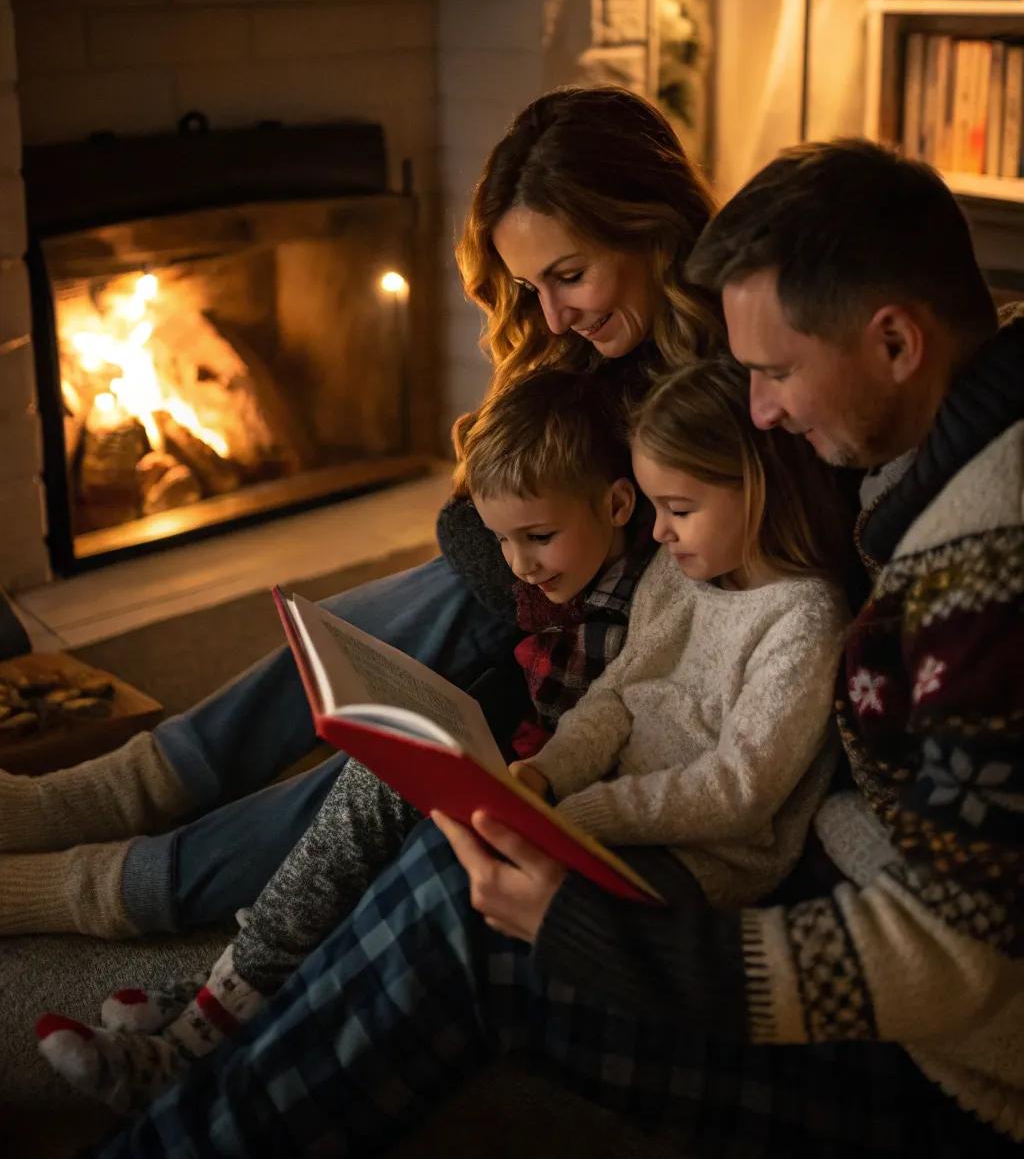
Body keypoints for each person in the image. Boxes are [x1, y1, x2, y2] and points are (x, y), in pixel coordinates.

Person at [86, 139, 1023, 1158]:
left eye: (777, 372)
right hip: (830, 876)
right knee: (465, 821)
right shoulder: (941, 438)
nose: (759, 413)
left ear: (895, 342)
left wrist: (601, 935)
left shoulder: (985, 576)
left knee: (477, 910)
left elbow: (961, 960)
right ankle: (222, 1015)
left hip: (949, 1074)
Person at [0, 87, 722, 941]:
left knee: (390, 764)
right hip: (540, 611)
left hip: (627, 660)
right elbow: (470, 522)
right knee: (396, 620)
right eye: (532, 285)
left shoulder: (728, 371)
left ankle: (106, 887)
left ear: (652, 225)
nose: (553, 313)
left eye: (569, 274)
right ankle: (110, 795)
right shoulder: (586, 348)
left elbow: (695, 589)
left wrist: (539, 549)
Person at [38, 354, 849, 1109]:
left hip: (684, 864)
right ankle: (228, 997)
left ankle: (207, 1045)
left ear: (759, 489)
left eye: (677, 510)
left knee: (439, 851)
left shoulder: (804, 617)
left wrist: (573, 814)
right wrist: (546, 778)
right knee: (384, 780)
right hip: (592, 812)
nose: (662, 535)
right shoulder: (682, 577)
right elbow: (613, 701)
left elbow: (736, 795)